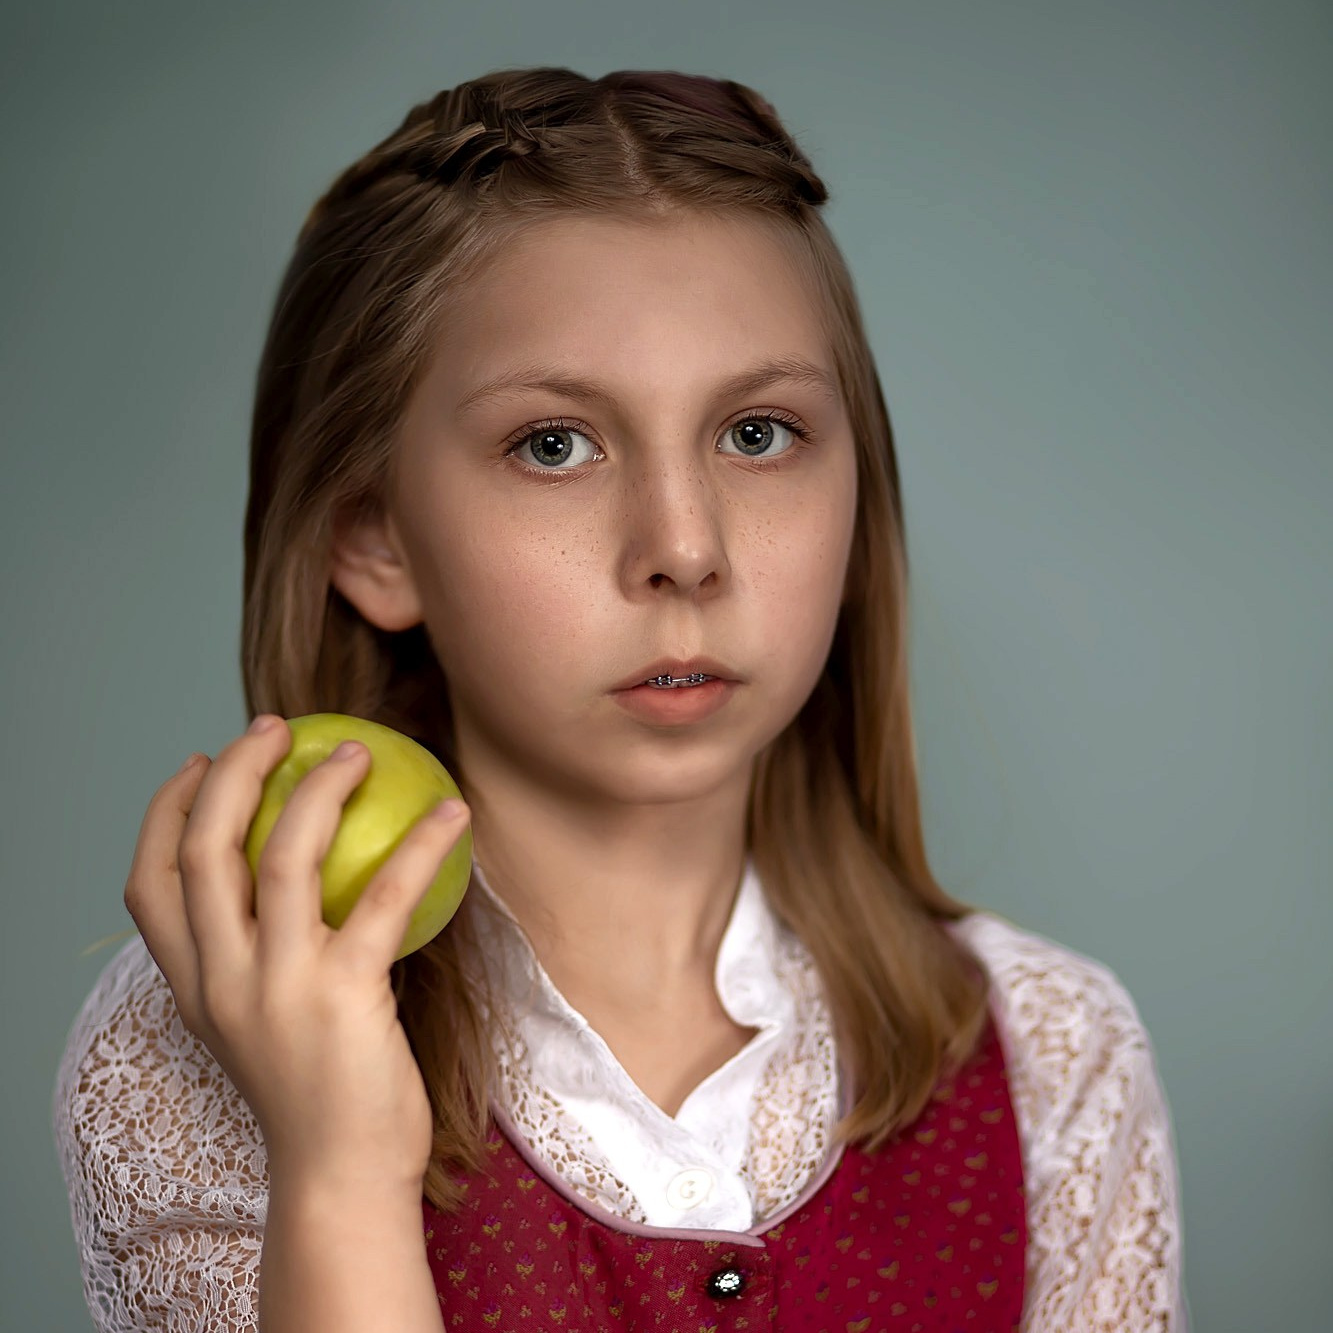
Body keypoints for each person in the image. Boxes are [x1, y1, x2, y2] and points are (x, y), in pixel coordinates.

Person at [52, 66, 1187, 1332]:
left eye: (757, 433)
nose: (685, 548)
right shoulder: (204, 1044)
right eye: (554, 445)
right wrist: (337, 1172)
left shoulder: (1052, 1052)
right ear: (374, 539)